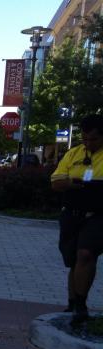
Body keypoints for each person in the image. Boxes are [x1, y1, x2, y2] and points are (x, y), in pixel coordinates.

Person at [50, 114, 103, 327]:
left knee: (86, 254)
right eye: (85, 139)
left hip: (98, 216)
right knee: (73, 260)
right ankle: (73, 303)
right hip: (71, 214)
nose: (88, 143)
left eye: (94, 139)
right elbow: (56, 181)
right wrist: (72, 184)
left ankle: (81, 305)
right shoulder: (73, 154)